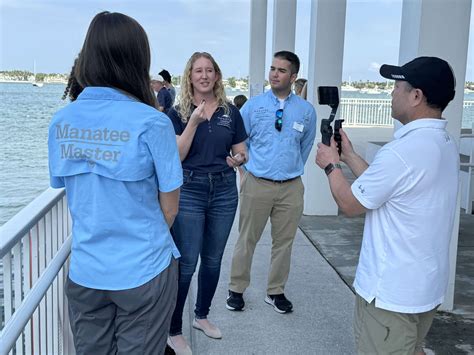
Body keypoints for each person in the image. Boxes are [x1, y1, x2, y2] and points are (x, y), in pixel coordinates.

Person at [48, 11, 183, 354]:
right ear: (137, 60)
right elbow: (170, 208)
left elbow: (63, 184)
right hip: (143, 268)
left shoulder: (62, 121)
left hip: (87, 268)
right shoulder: (153, 123)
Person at [315, 56, 458, 355]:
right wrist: (350, 156)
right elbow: (389, 189)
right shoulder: (443, 143)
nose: (391, 93)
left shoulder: (402, 152)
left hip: (390, 296)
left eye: (397, 87)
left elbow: (350, 203)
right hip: (423, 290)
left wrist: (331, 167)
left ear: (416, 96)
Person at [166, 51, 248, 355]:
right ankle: (173, 329)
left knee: (213, 260)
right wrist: (194, 123)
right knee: (186, 264)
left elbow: (242, 150)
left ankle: (201, 316)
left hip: (225, 189)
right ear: (190, 76)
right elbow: (176, 156)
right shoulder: (177, 113)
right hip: (189, 189)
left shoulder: (230, 111)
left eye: (209, 70)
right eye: (198, 70)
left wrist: (238, 158)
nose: (204, 75)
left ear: (216, 76)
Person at [227, 51, 317, 314]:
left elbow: (305, 145)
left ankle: (275, 291)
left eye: (281, 70)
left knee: (284, 242)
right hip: (257, 183)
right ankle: (236, 289)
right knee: (247, 239)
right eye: (272, 68)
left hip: (290, 187)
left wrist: (289, 169)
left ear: (293, 76)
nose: (274, 74)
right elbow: (240, 141)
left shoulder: (306, 111)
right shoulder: (253, 106)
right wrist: (244, 167)